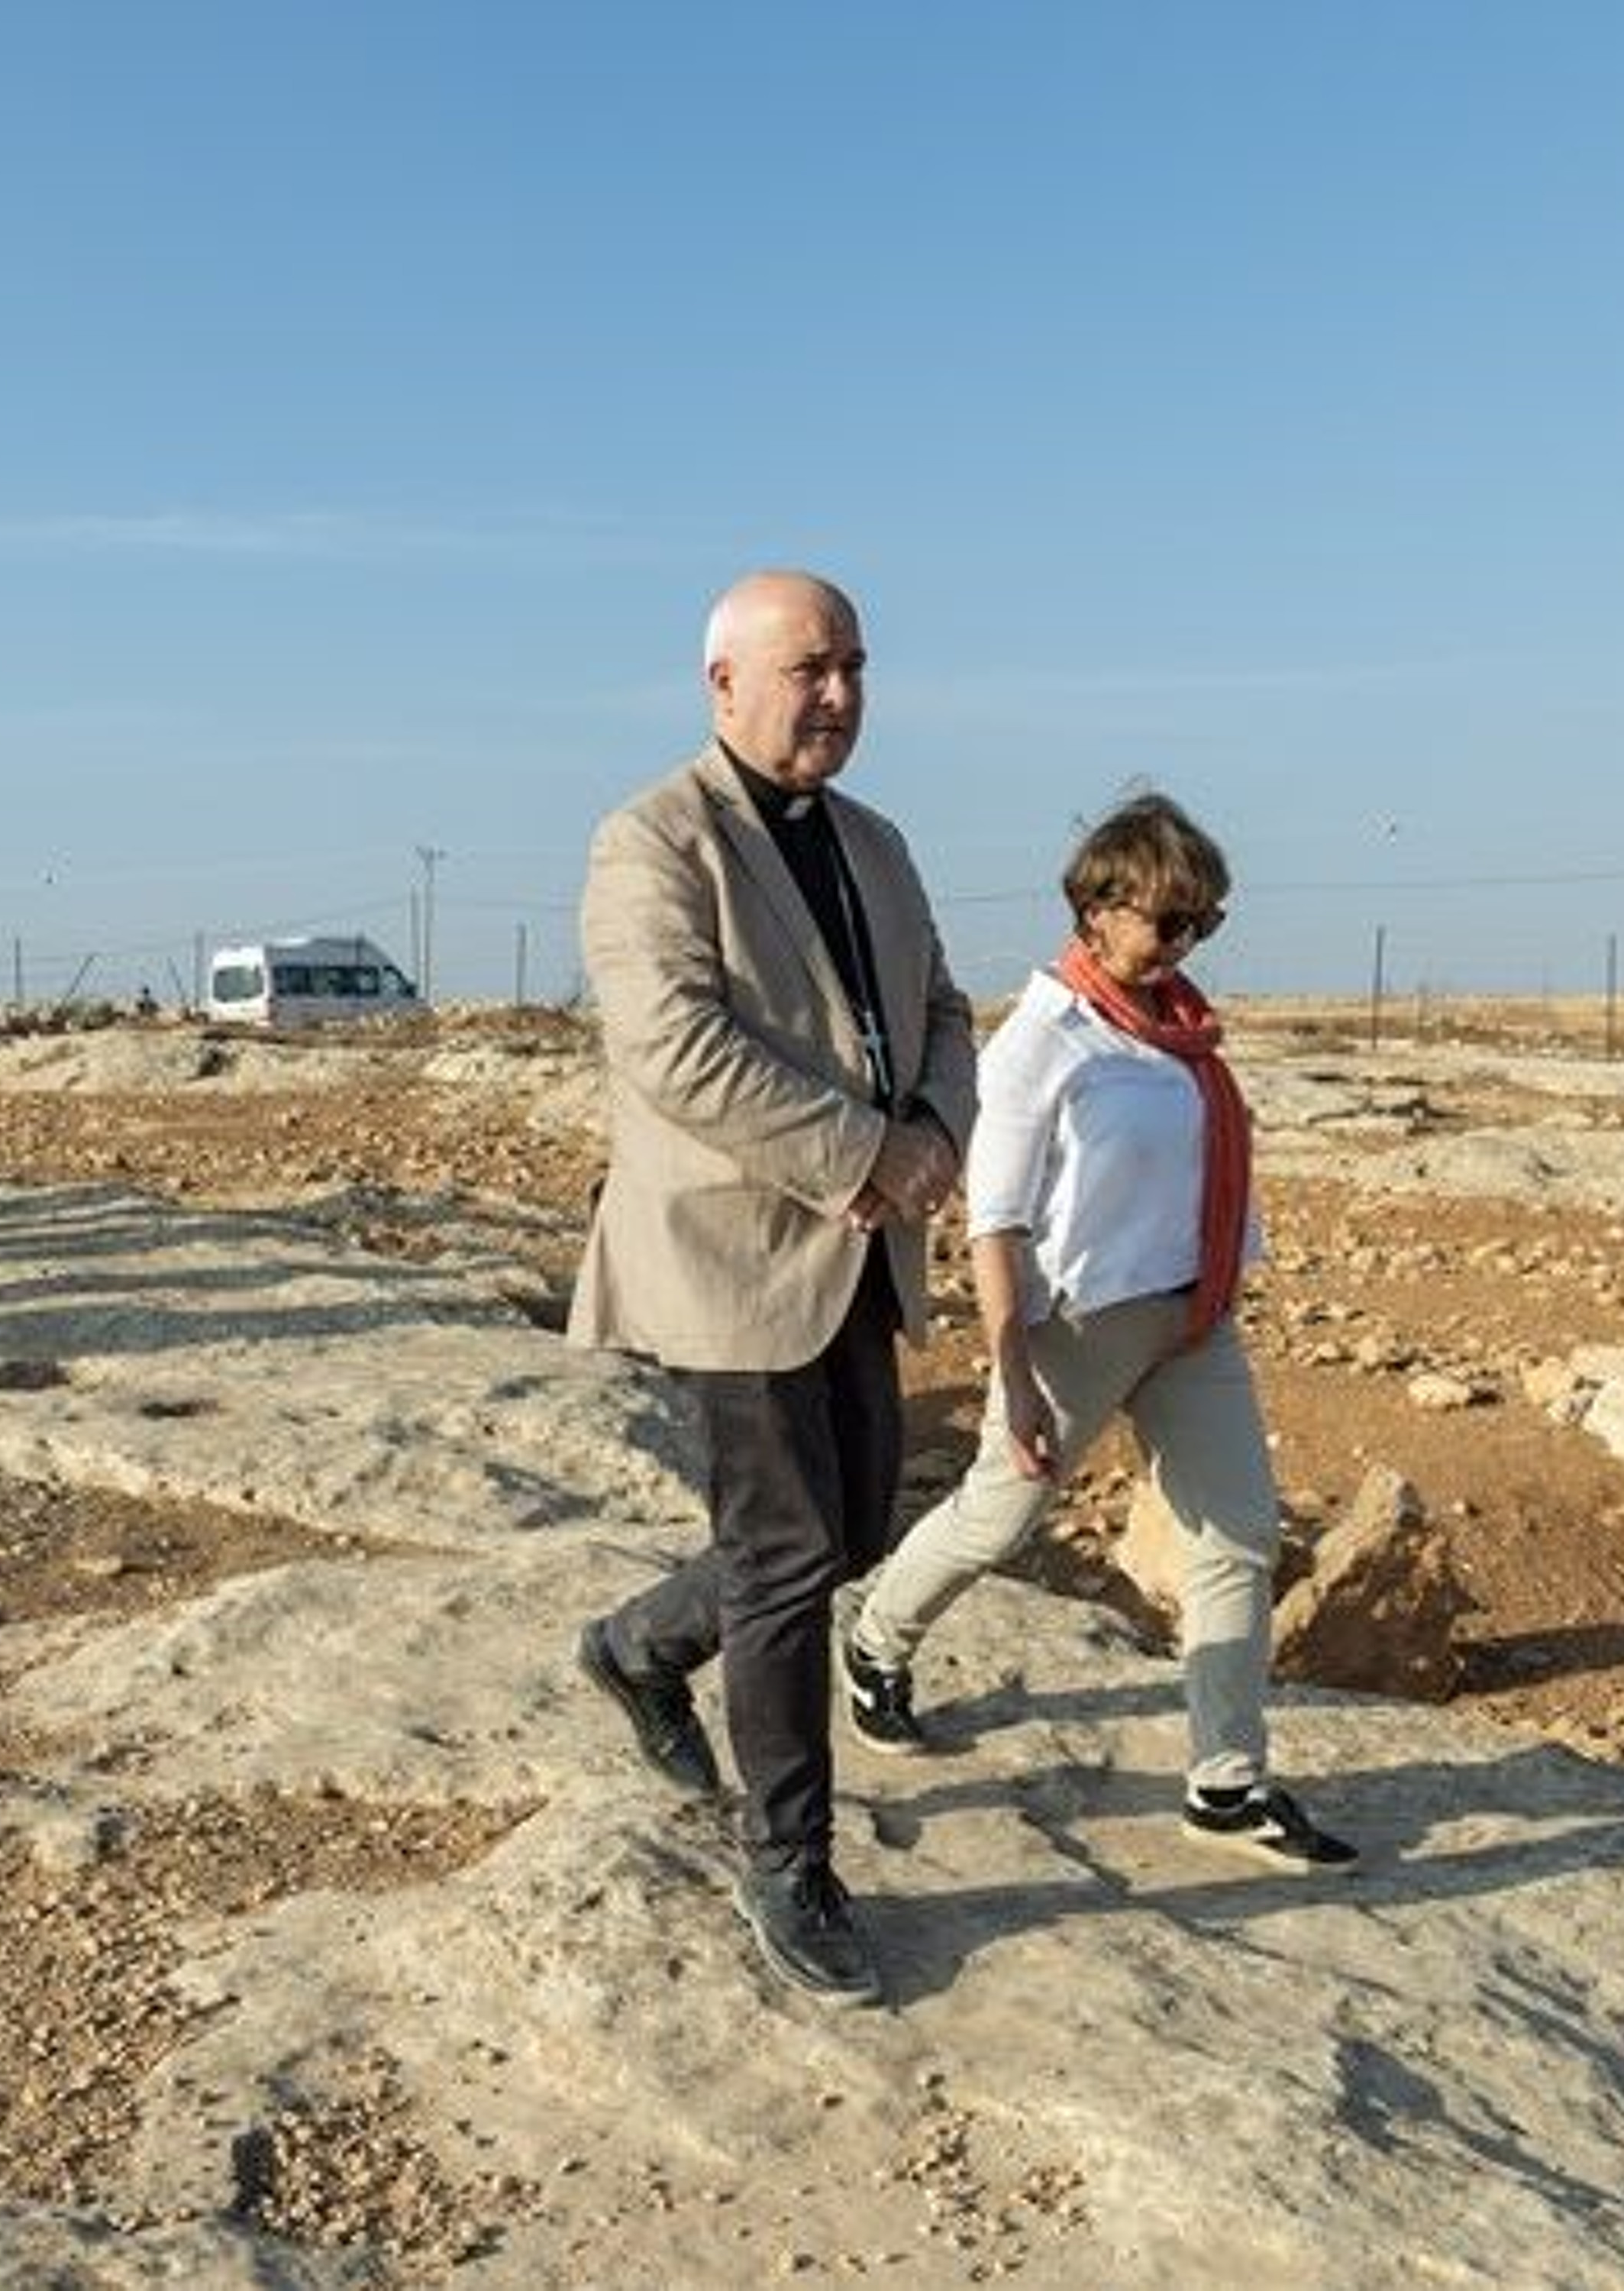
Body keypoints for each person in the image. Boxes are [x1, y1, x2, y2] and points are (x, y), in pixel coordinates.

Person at [570, 570, 978, 2007]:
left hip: (862, 1248)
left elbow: (939, 1006)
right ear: (722, 683)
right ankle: (789, 1860)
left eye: (856, 666)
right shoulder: (652, 841)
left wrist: (933, 1132)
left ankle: (636, 1647)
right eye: (811, 668)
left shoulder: (875, 840)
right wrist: (869, 1152)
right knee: (792, 1556)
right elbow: (672, 1045)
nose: (841, 696)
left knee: (849, 1530)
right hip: (728, 1256)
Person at [840, 793, 1357, 1873]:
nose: (1184, 946)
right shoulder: (1044, 1040)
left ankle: (1226, 1784)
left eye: (1202, 924)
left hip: (1193, 1316)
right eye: (1169, 922)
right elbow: (994, 1218)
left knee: (1237, 1542)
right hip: (1077, 1327)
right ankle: (877, 1640)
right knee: (1000, 1516)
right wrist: (1013, 1373)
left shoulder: (1182, 1034)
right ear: (1099, 908)